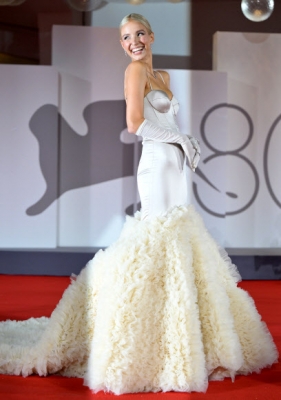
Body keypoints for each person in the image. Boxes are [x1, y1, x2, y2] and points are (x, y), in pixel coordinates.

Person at [0, 13, 278, 395]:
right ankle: (143, 338)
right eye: (126, 37)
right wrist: (181, 141)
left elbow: (165, 119)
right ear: (122, 44)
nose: (134, 41)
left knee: (180, 242)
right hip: (155, 166)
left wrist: (186, 142)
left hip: (176, 169)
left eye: (139, 34)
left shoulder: (161, 77)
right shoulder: (134, 73)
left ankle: (185, 337)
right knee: (155, 240)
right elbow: (134, 124)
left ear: (151, 35)